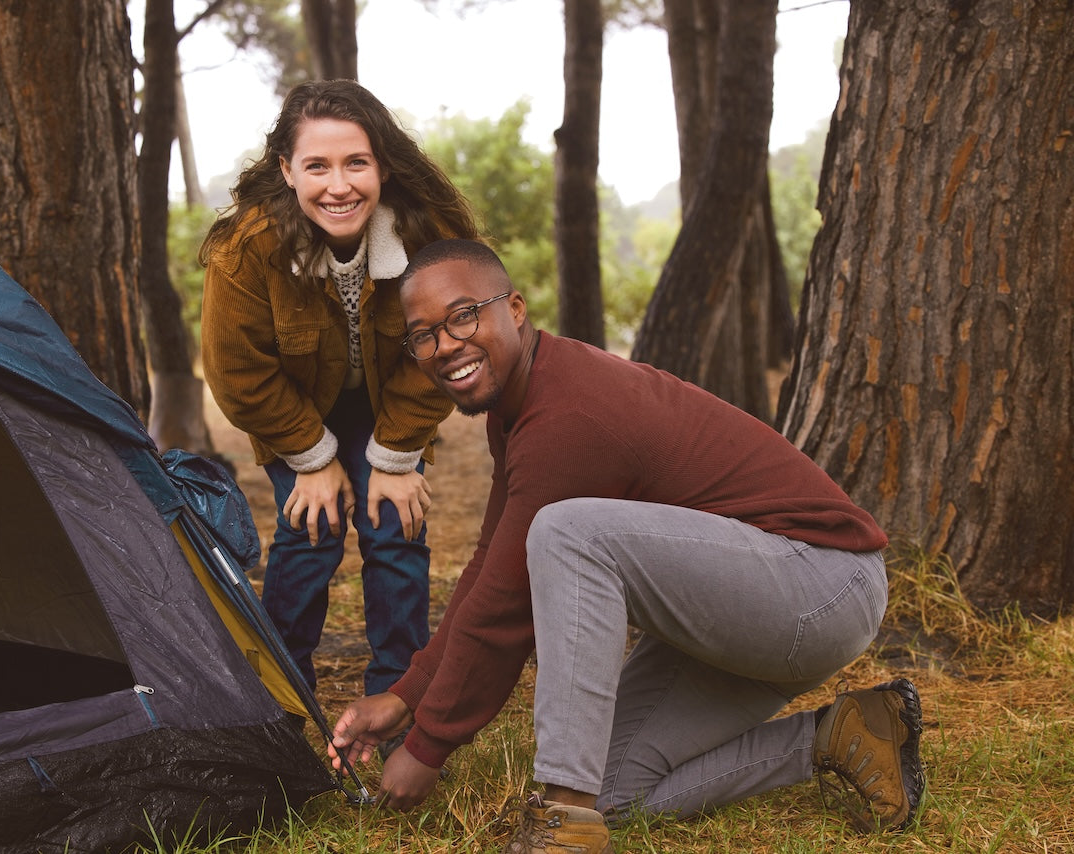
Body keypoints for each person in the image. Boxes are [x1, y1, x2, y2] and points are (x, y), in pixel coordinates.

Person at [328, 239, 925, 852]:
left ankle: (562, 815)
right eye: (422, 335)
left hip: (819, 587)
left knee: (566, 533)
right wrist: (406, 698)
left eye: (462, 316)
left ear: (515, 308)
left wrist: (428, 745)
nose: (444, 346)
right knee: (615, 787)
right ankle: (843, 735)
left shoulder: (570, 413)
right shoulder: (526, 400)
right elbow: (492, 567)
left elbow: (507, 604)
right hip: (739, 611)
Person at [198, 81, 480, 702]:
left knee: (394, 525)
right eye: (317, 166)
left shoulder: (427, 233)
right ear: (286, 170)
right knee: (311, 528)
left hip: (391, 400)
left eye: (357, 162)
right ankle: (279, 700)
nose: (339, 185)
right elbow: (239, 376)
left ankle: (397, 700)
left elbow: (450, 343)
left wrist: (399, 454)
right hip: (295, 408)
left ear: (382, 163)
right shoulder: (247, 250)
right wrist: (313, 458)